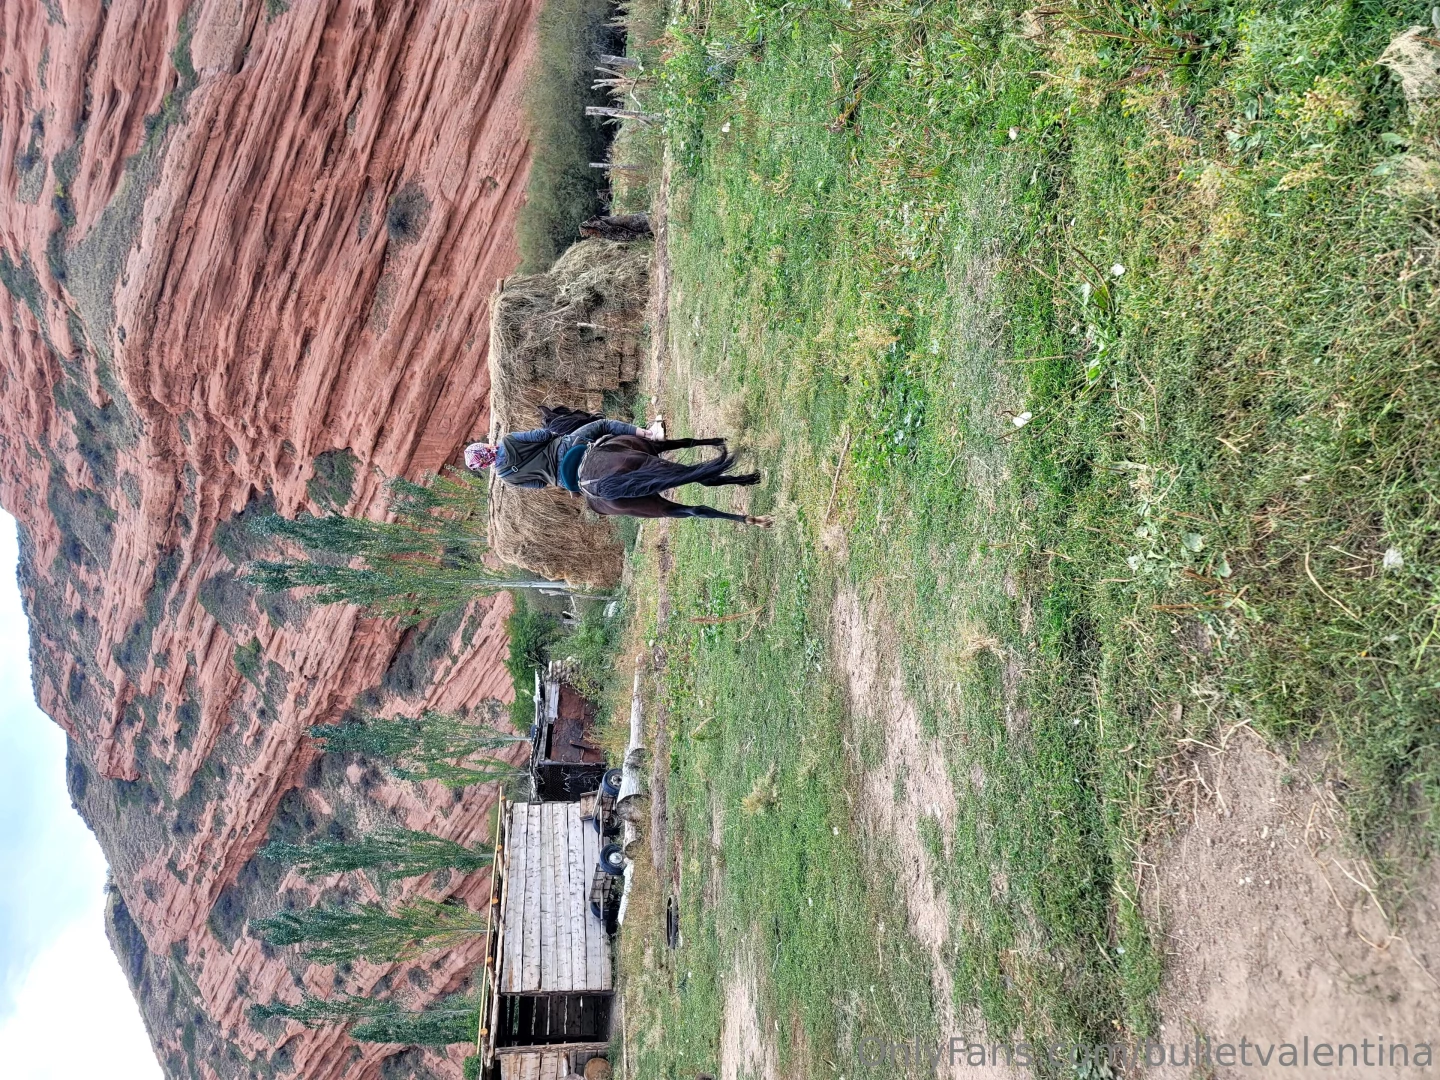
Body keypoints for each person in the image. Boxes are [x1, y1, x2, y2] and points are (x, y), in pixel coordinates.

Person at [464, 406, 664, 492]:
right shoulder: (508, 441)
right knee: (602, 424)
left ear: (484, 464)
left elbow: (540, 485)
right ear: (485, 448)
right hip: (564, 449)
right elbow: (542, 435)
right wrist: (551, 436)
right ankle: (650, 434)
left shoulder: (505, 476)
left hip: (563, 480)